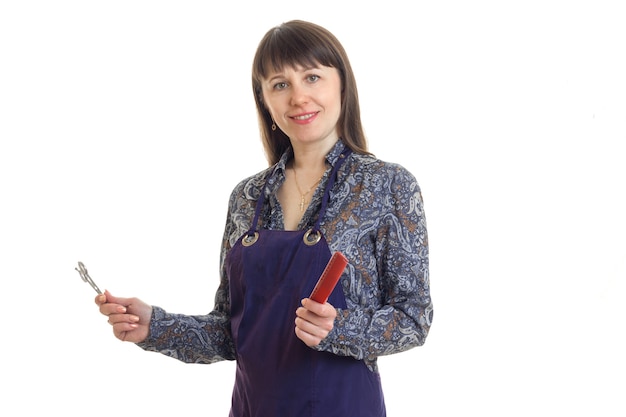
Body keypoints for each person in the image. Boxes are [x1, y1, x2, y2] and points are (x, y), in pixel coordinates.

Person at [96, 19, 433, 416]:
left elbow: (414, 318)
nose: (298, 97)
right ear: (265, 101)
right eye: (280, 84)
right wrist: (154, 326)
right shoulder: (247, 197)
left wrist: (338, 328)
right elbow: (231, 333)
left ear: (342, 84)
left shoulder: (388, 186)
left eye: (312, 77)